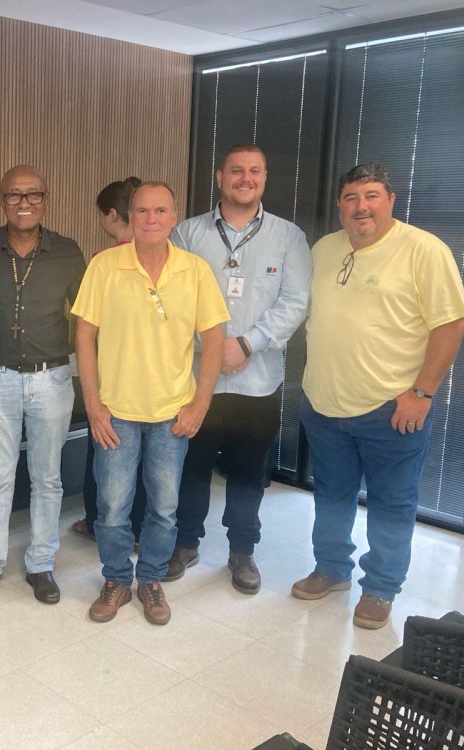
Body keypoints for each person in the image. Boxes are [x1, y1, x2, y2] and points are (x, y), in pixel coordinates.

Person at [292, 162, 464, 629]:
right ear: (340, 204)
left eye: (371, 196)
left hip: (391, 408)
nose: (361, 206)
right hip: (324, 404)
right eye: (351, 197)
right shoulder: (325, 248)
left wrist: (422, 393)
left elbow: (452, 324)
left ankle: (380, 587)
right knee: (331, 495)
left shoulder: (423, 250)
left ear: (391, 200)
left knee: (391, 502)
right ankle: (332, 568)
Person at [73, 181, 229, 626]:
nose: (151, 219)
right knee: (112, 509)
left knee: (163, 508)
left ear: (173, 218)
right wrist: (93, 404)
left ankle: (151, 581)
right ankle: (117, 580)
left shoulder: (195, 271)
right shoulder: (104, 266)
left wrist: (199, 405)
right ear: (131, 217)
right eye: (142, 211)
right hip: (115, 413)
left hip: (171, 414)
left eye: (160, 211)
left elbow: (215, 341)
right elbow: (84, 336)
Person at [168, 144, 311, 594]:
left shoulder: (289, 237)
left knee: (249, 474)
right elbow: (172, 301)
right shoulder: (187, 234)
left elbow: (296, 302)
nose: (244, 178)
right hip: (197, 381)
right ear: (220, 177)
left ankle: (242, 552)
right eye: (236, 170)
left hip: (258, 381)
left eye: (254, 171)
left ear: (264, 178)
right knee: (190, 468)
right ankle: (185, 544)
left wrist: (248, 343)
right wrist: (214, 349)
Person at [0, 165, 86, 606]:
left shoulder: (67, 252)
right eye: (14, 195)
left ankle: (41, 563)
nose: (24, 203)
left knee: (47, 477)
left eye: (33, 195)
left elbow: (87, 315)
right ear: (2, 201)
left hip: (53, 378)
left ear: (45, 200)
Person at [71, 177, 147, 545]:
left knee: (103, 451)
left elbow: (87, 328)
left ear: (113, 214)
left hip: (111, 377)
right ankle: (140, 531)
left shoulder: (104, 261)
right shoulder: (165, 258)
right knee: (146, 461)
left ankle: (95, 522)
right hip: (152, 380)